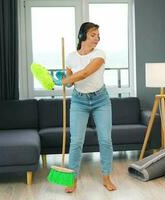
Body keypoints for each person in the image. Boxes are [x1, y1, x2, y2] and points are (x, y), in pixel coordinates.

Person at [62, 22, 117, 193]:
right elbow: (71, 83)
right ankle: (72, 179)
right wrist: (63, 78)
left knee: (105, 140)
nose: (97, 38)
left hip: (100, 99)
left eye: (98, 36)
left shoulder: (100, 54)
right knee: (76, 141)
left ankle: (106, 176)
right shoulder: (70, 57)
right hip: (79, 101)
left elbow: (86, 72)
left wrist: (66, 80)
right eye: (93, 35)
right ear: (82, 36)